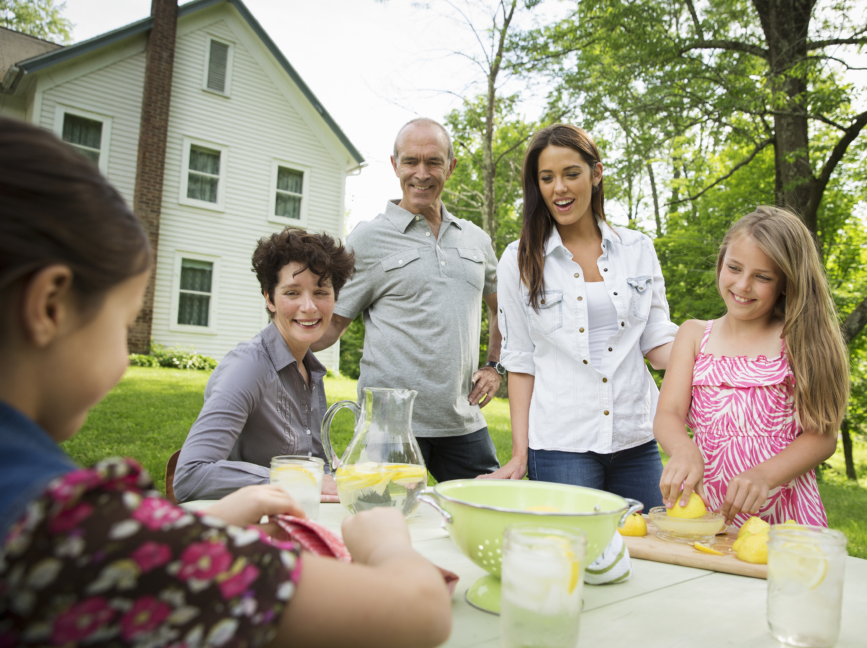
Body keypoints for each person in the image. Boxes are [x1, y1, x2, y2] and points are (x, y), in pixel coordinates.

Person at [0, 118, 451, 648]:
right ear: (49, 307)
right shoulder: (69, 530)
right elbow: (419, 612)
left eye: (322, 292)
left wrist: (232, 510)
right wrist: (383, 542)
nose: (122, 359)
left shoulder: (311, 373)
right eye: (122, 322)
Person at [489, 123, 677, 510]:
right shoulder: (519, 258)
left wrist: (718, 349)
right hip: (562, 444)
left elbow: (657, 341)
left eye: (571, 173)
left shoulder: (638, 248)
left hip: (636, 438)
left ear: (596, 173)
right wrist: (520, 454)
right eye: (547, 178)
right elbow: (521, 360)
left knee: (650, 550)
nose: (559, 187)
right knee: (576, 555)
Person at [313, 117, 503, 481]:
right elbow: (331, 323)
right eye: (411, 161)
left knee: (487, 520)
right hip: (388, 425)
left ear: (451, 166)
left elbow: (502, 311)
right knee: (380, 522)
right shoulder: (367, 239)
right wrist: (275, 353)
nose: (422, 173)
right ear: (394, 165)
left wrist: (495, 366)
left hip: (462, 420)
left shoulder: (475, 239)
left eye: (433, 161)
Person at [654, 206, 850, 527]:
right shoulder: (693, 335)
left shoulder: (801, 341)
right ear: (721, 263)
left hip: (784, 514)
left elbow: (822, 436)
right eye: (734, 268)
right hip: (706, 511)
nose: (743, 285)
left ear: (786, 283)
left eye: (762, 277)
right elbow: (668, 415)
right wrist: (682, 449)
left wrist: (764, 475)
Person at [174, 229, 355, 502]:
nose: (309, 307)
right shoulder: (248, 366)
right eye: (292, 293)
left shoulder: (310, 370)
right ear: (269, 299)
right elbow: (190, 476)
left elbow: (313, 462)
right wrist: (303, 482)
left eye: (321, 292)